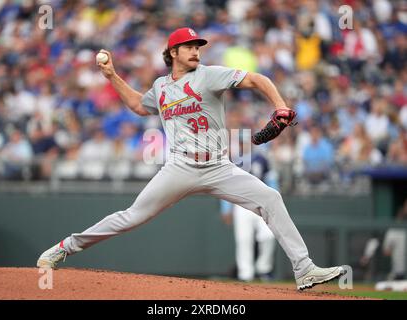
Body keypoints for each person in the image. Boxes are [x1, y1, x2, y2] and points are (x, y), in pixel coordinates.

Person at [37, 27, 344, 290]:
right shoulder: (160, 87)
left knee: (271, 198)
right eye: (189, 46)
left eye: (198, 46)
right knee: (131, 216)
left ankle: (303, 269)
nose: (196, 50)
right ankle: (64, 248)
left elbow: (256, 79)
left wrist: (279, 104)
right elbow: (137, 105)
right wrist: (111, 75)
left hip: (218, 166)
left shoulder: (209, 76)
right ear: (173, 52)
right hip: (180, 166)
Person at [221, 141, 276, 282]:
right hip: (241, 204)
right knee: (243, 239)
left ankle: (264, 269)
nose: (243, 144)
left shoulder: (261, 158)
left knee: (269, 236)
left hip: (261, 203)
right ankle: (246, 273)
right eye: (240, 142)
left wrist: (275, 201)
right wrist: (226, 208)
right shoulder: (233, 161)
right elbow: (226, 186)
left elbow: (271, 180)